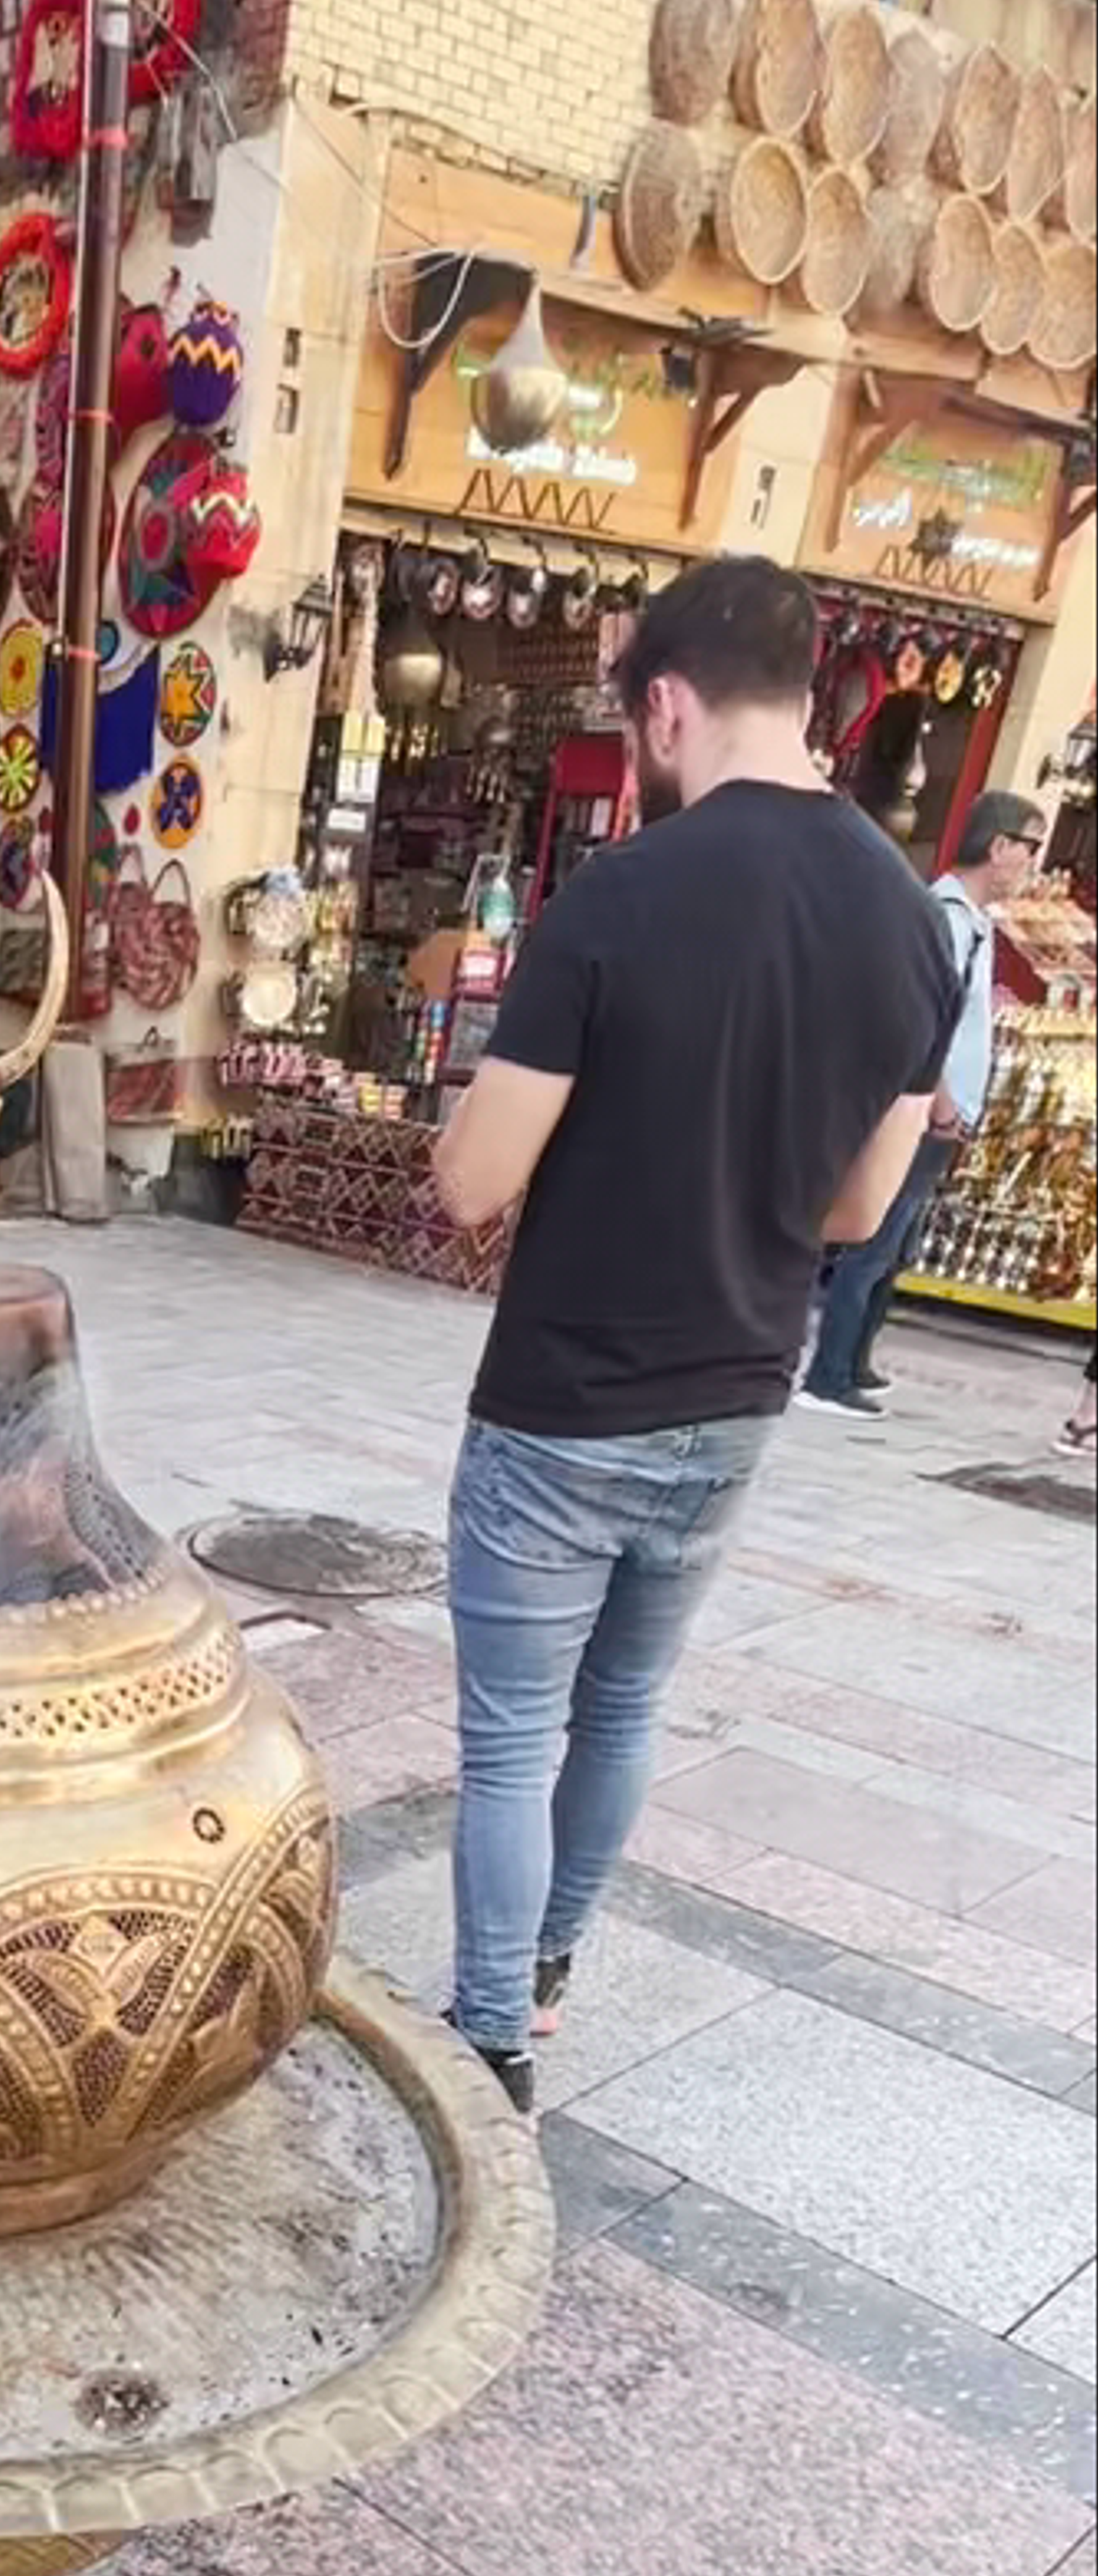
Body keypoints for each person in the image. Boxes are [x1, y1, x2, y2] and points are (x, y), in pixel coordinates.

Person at [427, 555, 957, 2116]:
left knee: (516, 1732)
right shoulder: (910, 924)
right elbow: (861, 1210)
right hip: (738, 1394)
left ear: (664, 703)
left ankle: (485, 2039)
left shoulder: (617, 895)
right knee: (621, 1705)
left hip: (562, 1403)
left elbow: (470, 1184)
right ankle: (540, 1976)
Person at [800, 785, 1044, 1420]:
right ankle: (829, 1373)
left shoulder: (976, 921)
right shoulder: (945, 915)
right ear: (998, 847)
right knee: (875, 1239)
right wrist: (937, 1095)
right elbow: (923, 1015)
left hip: (945, 1110)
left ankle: (856, 1359)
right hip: (920, 1107)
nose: (1031, 863)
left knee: (901, 1244)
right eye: (1029, 847)